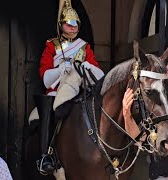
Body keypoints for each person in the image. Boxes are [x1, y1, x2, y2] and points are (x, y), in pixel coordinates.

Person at [32, 0, 104, 175]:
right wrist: (59, 70)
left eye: (76, 24)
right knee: (48, 109)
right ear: (61, 24)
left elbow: (99, 74)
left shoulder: (84, 47)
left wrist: (87, 67)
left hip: (79, 90)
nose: (73, 27)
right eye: (69, 23)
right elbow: (45, 79)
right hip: (56, 91)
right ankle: (46, 156)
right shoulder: (52, 45)